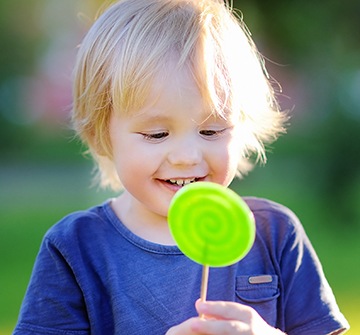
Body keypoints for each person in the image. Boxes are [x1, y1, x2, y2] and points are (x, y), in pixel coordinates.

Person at [13, 0, 349, 334]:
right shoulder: (76, 249)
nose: (187, 156)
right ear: (102, 135)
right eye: (157, 134)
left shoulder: (275, 235)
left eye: (211, 131)